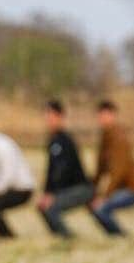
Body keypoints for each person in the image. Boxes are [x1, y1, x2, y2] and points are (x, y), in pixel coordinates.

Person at [37, 100, 94, 238]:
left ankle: (69, 238)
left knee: (50, 208)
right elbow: (51, 171)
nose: (48, 120)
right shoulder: (53, 140)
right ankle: (59, 237)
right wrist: (46, 192)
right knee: (42, 206)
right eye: (46, 117)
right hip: (65, 190)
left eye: (51, 117)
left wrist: (53, 195)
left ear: (60, 117)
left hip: (80, 188)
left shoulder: (66, 141)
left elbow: (64, 171)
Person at [90, 100, 134, 236]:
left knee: (101, 208)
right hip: (122, 187)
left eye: (105, 115)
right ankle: (115, 236)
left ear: (113, 115)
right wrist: (91, 190)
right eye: (100, 115)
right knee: (95, 206)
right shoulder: (105, 137)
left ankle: (122, 237)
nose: (102, 119)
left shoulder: (118, 138)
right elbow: (100, 168)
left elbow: (118, 172)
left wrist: (104, 196)